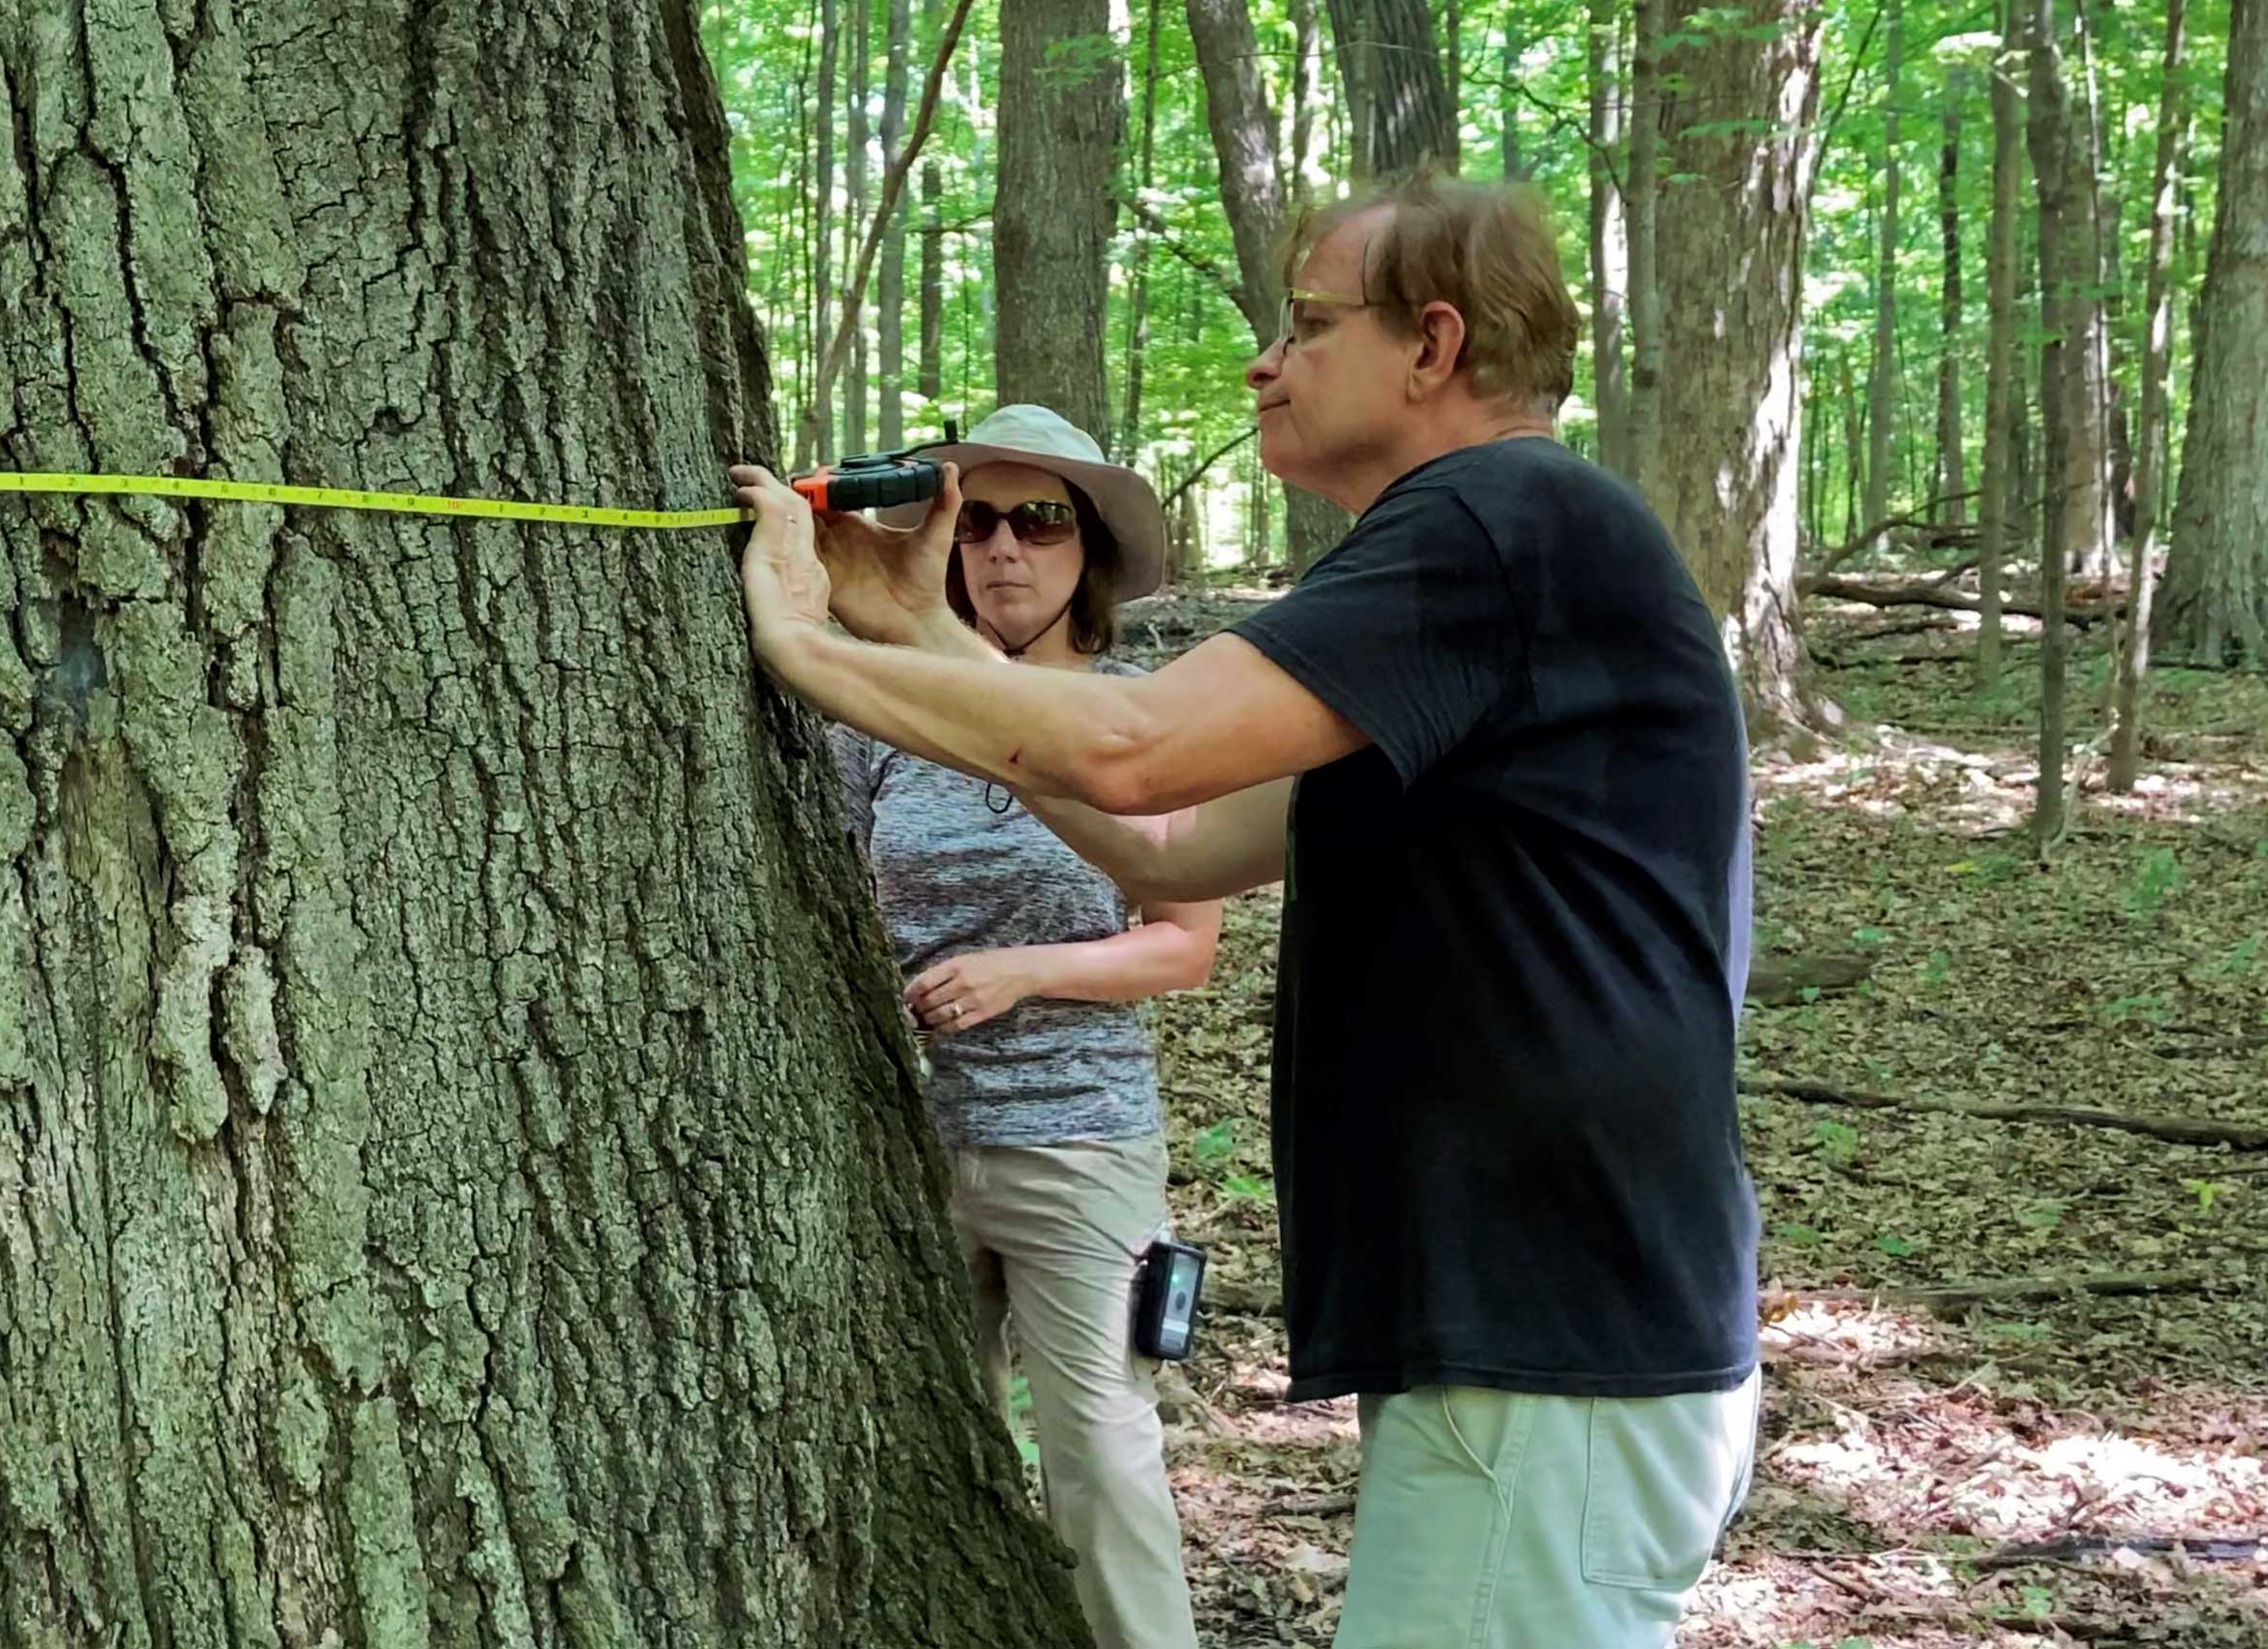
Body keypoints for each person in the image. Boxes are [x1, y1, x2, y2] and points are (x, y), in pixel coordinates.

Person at [733, 174, 1761, 1647]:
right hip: (1547, 1327)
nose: (1260, 362)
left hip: (1563, 1333)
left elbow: (1128, 741)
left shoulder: (1496, 518)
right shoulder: (1503, 563)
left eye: (1307, 323)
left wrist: (800, 636)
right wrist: (915, 626)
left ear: (1434, 345)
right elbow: (1172, 846)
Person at [822, 405, 1212, 1649]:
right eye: (975, 517)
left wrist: (1023, 971)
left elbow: (1184, 942)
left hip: (1077, 1146)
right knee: (935, 1460)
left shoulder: (1138, 716)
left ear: (1086, 551)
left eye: (1040, 521)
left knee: (1099, 1455)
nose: (1004, 548)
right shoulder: (889, 713)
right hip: (910, 1149)